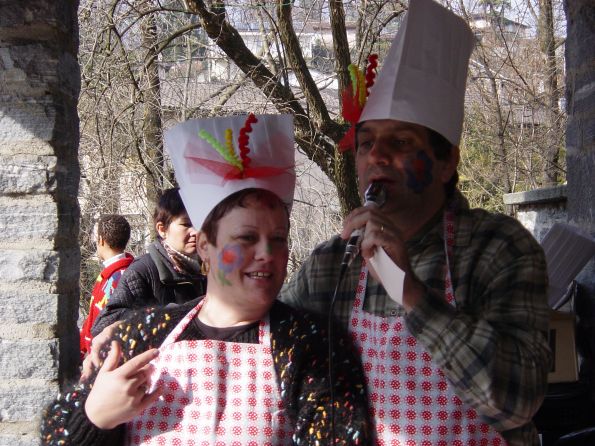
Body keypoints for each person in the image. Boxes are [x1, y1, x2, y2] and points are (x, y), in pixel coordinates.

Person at [280, 1, 551, 445]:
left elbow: (517, 399)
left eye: (401, 141)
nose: (377, 156)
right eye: (366, 143)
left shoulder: (499, 248)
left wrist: (408, 291)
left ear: (446, 163)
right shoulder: (331, 264)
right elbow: (268, 352)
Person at [41, 113, 370, 445]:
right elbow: (56, 435)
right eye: (246, 238)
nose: (266, 253)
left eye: (278, 238)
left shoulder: (313, 344)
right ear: (205, 247)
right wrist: (95, 417)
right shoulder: (144, 334)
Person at [91, 188, 207, 336]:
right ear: (162, 229)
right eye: (186, 224)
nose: (196, 232)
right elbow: (103, 325)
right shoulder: (142, 271)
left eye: (199, 224)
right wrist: (166, 315)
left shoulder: (212, 269)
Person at [79, 215, 134, 359]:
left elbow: (102, 320)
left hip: (106, 356)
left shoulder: (118, 278)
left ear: (101, 240)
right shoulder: (114, 273)